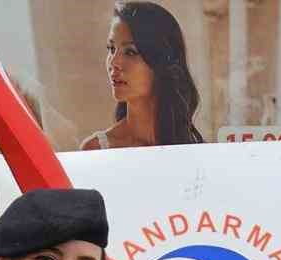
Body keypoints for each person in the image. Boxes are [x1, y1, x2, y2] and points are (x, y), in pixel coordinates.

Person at [80, 1, 203, 150]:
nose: (113, 62)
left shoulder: (193, 147)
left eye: (130, 52)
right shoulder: (96, 149)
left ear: (160, 62)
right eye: (111, 49)